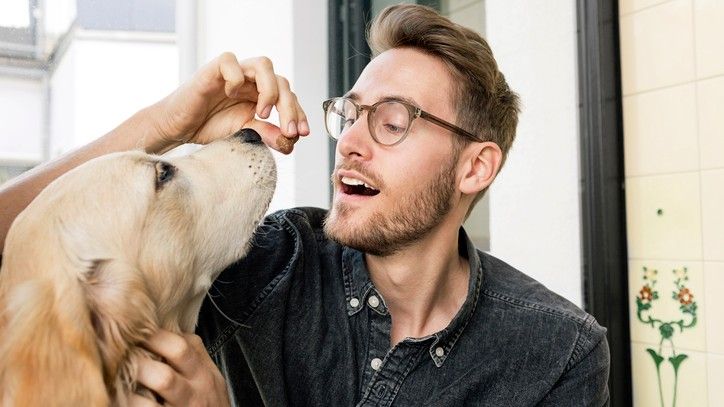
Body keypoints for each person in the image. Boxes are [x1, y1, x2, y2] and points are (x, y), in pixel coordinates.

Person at [0, 4, 609, 406]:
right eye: (350, 113)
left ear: (475, 167)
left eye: (393, 121)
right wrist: (168, 123)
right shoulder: (264, 264)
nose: (347, 140)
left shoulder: (559, 355)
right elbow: (27, 247)